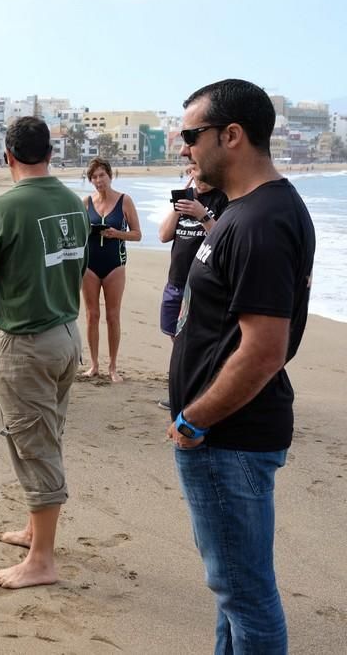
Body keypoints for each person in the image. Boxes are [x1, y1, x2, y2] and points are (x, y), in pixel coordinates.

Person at [168, 79, 315, 654]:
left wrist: (195, 420)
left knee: (246, 594)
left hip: (228, 439)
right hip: (222, 436)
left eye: (190, 135)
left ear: (231, 135)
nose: (183, 148)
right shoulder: (242, 211)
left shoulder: (261, 221)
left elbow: (264, 349)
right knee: (232, 591)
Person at [0, 116, 89, 590]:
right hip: (64, 332)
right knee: (45, 433)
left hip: (26, 341)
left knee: (32, 444)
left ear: (8, 156)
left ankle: (42, 560)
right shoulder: (73, 203)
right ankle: (35, 530)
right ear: (51, 153)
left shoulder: (5, 207)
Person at [155, 166, 227, 409]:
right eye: (195, 173)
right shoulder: (186, 199)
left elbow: (224, 240)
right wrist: (179, 207)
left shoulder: (222, 198)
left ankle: (196, 391)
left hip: (200, 285)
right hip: (175, 281)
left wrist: (202, 215)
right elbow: (163, 235)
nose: (200, 178)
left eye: (203, 173)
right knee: (175, 334)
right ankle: (190, 386)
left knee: (196, 339)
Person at [80, 156, 141, 382]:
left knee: (112, 316)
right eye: (94, 177)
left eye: (102, 175)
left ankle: (113, 367)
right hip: (90, 265)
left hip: (115, 263)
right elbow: (77, 233)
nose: (98, 180)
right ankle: (94, 365)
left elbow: (137, 234)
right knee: (91, 315)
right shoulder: (86, 202)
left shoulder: (125, 201)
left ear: (110, 176)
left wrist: (117, 234)